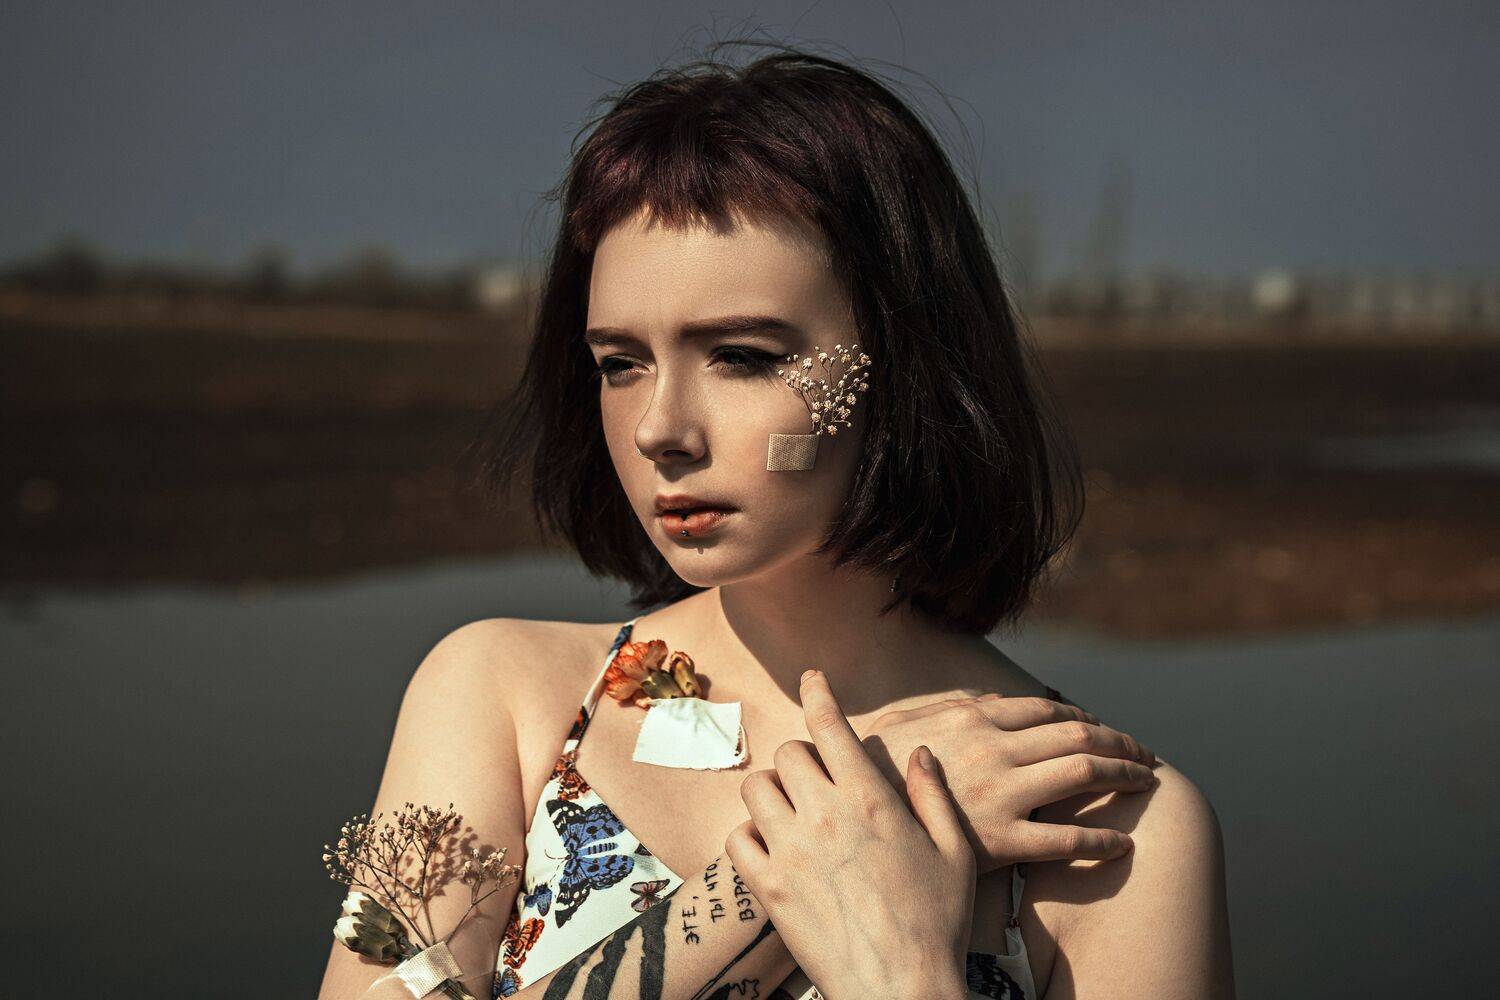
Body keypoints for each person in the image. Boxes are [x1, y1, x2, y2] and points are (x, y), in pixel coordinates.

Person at [318, 43, 1233, 1000]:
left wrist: (906, 975)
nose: (660, 428)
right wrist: (771, 878)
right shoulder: (505, 698)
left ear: (905, 366)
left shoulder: (1107, 828)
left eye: (744, 356)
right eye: (620, 364)